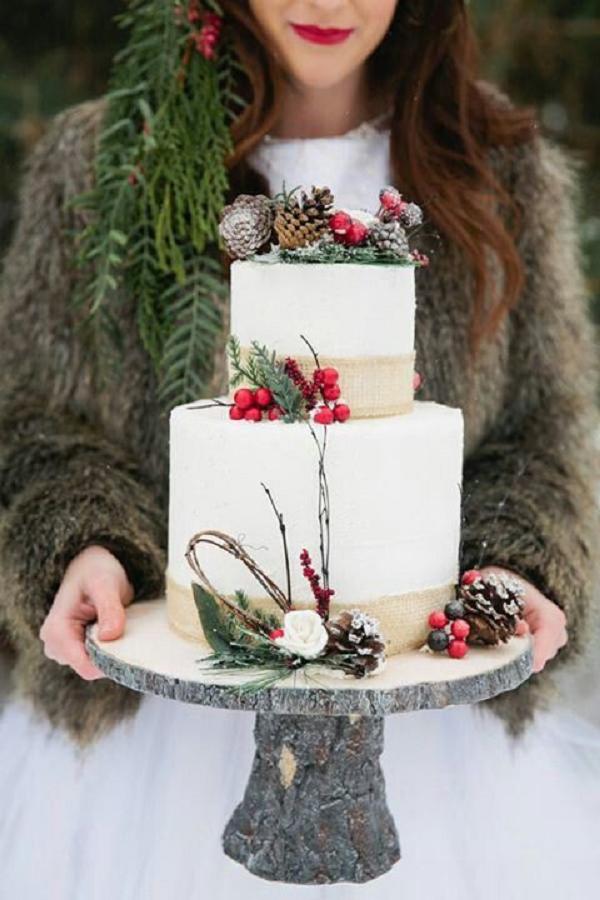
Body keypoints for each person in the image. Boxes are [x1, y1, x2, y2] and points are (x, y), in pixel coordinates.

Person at [1, 1, 600, 897]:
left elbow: (548, 427)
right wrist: (81, 543)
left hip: (431, 739)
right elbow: (29, 415)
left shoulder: (497, 167)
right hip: (155, 735)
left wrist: (511, 567)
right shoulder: (109, 163)